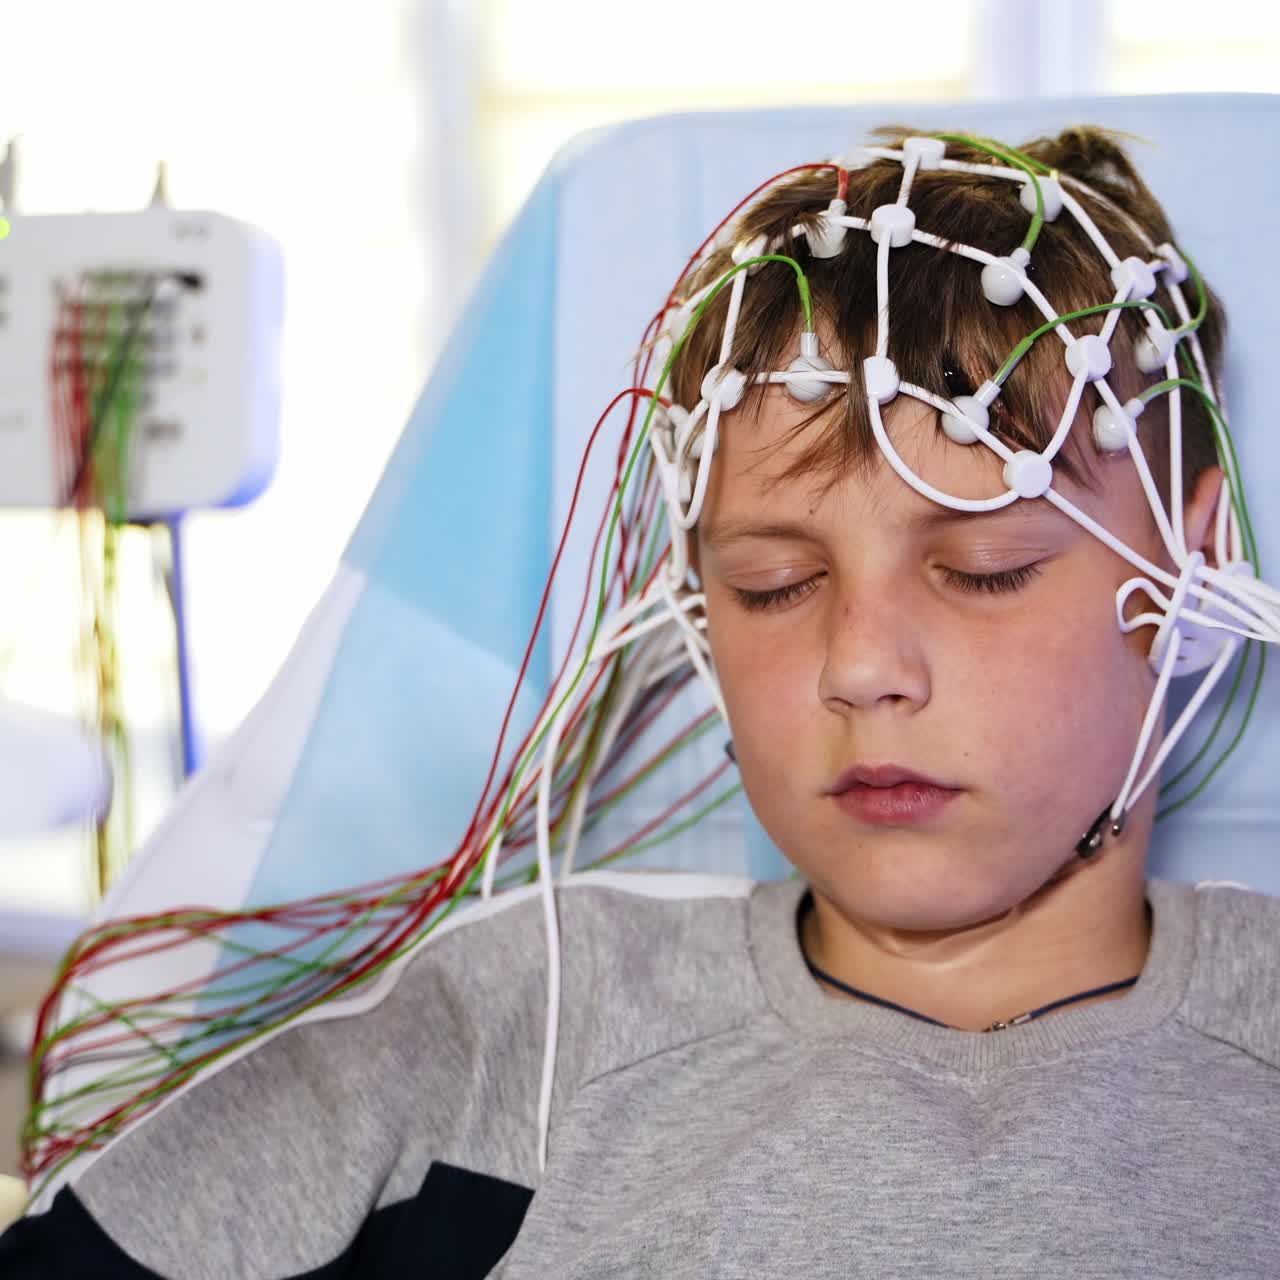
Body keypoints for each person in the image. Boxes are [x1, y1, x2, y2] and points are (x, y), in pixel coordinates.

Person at [3, 125, 1279, 1278]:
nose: (858, 663)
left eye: (981, 570)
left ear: (1192, 578)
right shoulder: (517, 1032)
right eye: (775, 585)